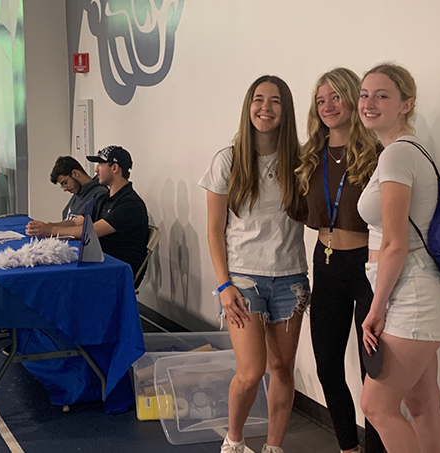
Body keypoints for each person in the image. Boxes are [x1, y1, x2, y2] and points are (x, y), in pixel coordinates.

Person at [199, 75, 309, 453]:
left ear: (286, 109)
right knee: (250, 373)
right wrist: (224, 285)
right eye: (259, 100)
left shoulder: (302, 159)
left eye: (275, 101)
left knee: (281, 370)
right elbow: (214, 231)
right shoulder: (227, 159)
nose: (266, 108)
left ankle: (274, 447)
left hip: (291, 279)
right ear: (248, 107)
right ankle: (234, 442)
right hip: (243, 279)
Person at [357, 63, 440, 453]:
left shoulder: (397, 157)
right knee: (422, 404)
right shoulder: (409, 150)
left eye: (382, 95)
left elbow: (395, 244)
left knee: (375, 406)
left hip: (411, 295)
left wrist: (376, 308)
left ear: (406, 104)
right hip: (420, 291)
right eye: (365, 94)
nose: (369, 103)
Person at [295, 68, 383, 453]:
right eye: (320, 100)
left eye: (335, 97)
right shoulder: (310, 155)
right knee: (327, 364)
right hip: (326, 260)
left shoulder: (379, 152)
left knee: (374, 372)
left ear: (352, 98)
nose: (328, 106)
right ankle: (349, 446)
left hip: (367, 265)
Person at [26, 145, 149, 286]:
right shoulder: (104, 198)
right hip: (100, 262)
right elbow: (77, 222)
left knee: (52, 279)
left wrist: (51, 231)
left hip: (116, 270)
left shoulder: (130, 204)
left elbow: (91, 231)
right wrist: (47, 226)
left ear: (114, 168)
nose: (96, 169)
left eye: (101, 164)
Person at [49, 155, 108, 220]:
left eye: (65, 183)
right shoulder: (76, 196)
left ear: (75, 173)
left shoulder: (100, 194)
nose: (65, 189)